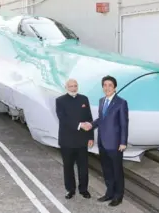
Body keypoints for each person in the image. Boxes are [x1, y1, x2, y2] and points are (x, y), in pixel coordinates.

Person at [83, 75, 129, 207]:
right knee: (107, 170)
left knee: (117, 171)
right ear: (102, 87)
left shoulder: (121, 102)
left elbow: (124, 124)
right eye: (105, 85)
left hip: (115, 144)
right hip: (102, 142)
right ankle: (109, 193)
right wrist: (91, 124)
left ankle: (118, 196)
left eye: (110, 85)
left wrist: (123, 142)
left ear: (114, 87)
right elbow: (101, 119)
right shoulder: (102, 100)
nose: (107, 87)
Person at [55, 79, 94, 199]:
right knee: (68, 167)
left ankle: (83, 189)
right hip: (67, 141)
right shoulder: (60, 100)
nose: (73, 88)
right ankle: (70, 190)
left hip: (82, 140)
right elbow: (63, 119)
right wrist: (79, 125)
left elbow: (89, 118)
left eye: (75, 86)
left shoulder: (84, 99)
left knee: (83, 167)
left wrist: (91, 137)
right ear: (66, 87)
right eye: (71, 86)